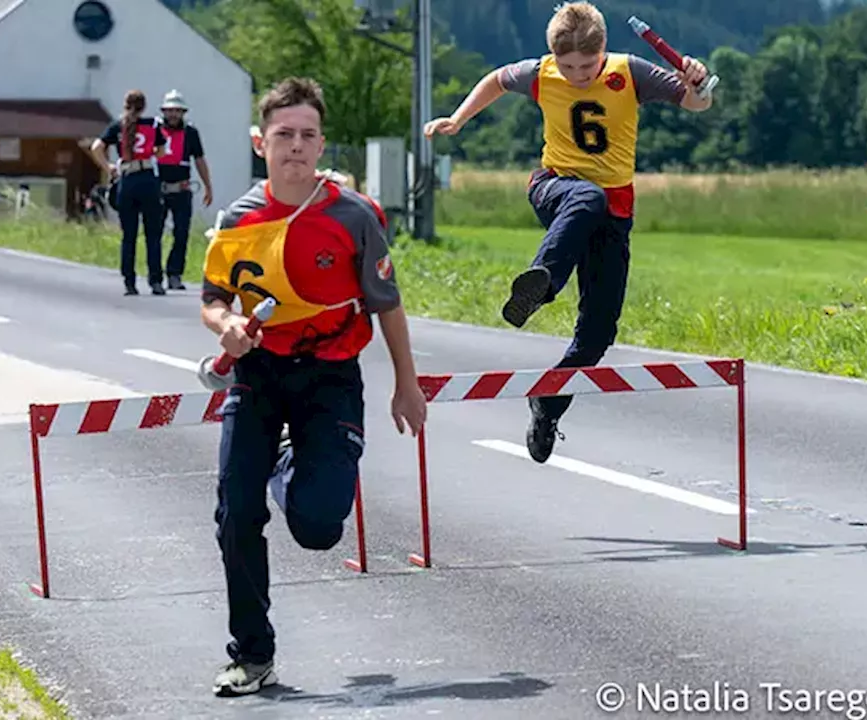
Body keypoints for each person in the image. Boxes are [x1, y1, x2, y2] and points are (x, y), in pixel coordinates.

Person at [200, 76, 427, 697]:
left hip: (330, 377)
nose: (295, 147)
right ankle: (252, 654)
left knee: (319, 527)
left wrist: (407, 385)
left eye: (306, 136)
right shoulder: (237, 219)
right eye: (283, 135)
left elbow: (388, 304)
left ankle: (287, 463)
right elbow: (214, 298)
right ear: (260, 142)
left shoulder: (355, 215)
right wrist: (226, 327)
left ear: (321, 144)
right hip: (258, 376)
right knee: (234, 512)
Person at [423, 1, 712, 463]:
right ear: (553, 56)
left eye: (587, 66)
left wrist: (697, 82)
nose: (578, 74)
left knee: (599, 331)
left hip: (614, 212)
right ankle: (542, 283)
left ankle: (548, 403)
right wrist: (458, 119)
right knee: (586, 197)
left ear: (603, 52)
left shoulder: (629, 71)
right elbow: (496, 80)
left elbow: (697, 103)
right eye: (569, 66)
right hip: (555, 188)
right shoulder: (540, 73)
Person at [91, 89, 167, 296]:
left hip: (127, 180)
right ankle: (155, 281)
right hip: (148, 179)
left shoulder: (118, 126)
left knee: (129, 235)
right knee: (153, 234)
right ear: (143, 106)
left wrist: (108, 167)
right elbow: (161, 151)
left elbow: (96, 147)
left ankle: (129, 281)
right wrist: (149, 152)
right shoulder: (153, 125)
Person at [156, 89, 214, 290]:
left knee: (181, 233)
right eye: (170, 110)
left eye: (177, 111)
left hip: (181, 189)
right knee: (154, 232)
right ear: (164, 111)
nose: (173, 115)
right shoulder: (155, 130)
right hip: (157, 189)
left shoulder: (190, 132)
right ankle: (155, 275)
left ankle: (174, 274)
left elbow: (199, 159)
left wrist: (208, 185)